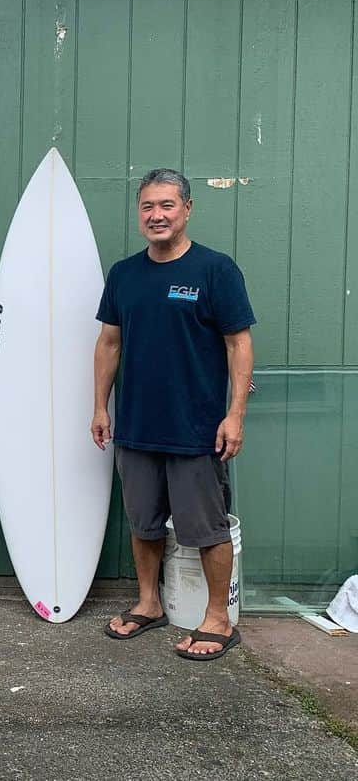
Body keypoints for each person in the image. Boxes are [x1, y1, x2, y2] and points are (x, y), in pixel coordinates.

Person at [91, 168, 254, 661]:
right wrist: (99, 405)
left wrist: (235, 415)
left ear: (186, 209)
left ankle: (219, 620)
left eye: (166, 205)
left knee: (205, 528)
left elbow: (239, 344)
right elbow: (109, 342)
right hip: (138, 427)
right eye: (147, 206)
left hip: (196, 429)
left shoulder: (214, 270)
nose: (156, 215)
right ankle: (149, 603)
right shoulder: (124, 274)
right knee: (143, 523)